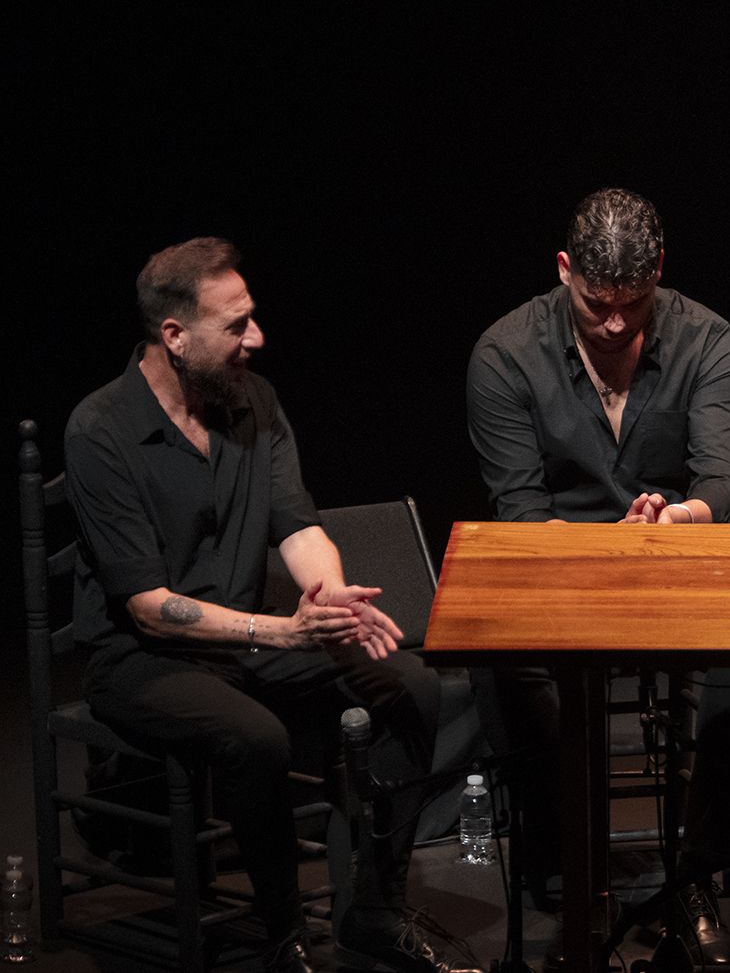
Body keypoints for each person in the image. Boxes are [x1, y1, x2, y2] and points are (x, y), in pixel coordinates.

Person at [66, 238, 466, 973]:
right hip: (143, 658)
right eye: (237, 324)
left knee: (412, 684)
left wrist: (328, 591)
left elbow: (297, 523)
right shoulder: (102, 430)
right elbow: (150, 606)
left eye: (253, 317)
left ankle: (374, 908)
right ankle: (283, 934)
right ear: (175, 336)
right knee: (257, 737)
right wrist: (280, 630)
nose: (257, 337)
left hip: (252, 643)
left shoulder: (254, 401)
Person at [465, 187, 730, 967]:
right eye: (596, 302)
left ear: (659, 274)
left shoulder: (708, 340)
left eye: (632, 305)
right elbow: (519, 510)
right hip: (559, 578)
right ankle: (575, 860)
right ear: (565, 270)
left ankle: (695, 869)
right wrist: (608, 547)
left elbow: (722, 485)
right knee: (508, 663)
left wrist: (677, 523)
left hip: (677, 567)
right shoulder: (506, 353)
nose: (612, 323)